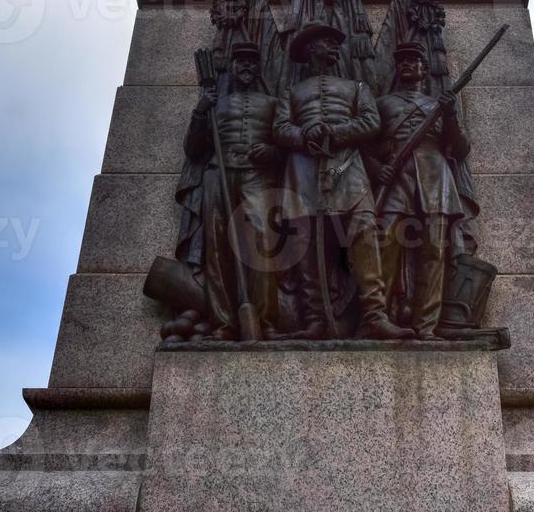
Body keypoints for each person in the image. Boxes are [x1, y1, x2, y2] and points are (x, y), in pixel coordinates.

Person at [273, 23, 412, 339]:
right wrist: (303, 134)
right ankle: (315, 319)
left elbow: (371, 121)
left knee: (364, 234)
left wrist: (335, 133)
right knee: (306, 245)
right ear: (310, 48)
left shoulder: (356, 87)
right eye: (327, 42)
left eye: (337, 43)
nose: (335, 47)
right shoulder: (291, 93)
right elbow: (280, 129)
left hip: (348, 169)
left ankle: (375, 315)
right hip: (303, 171)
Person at [367, 42, 470, 339]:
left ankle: (426, 327)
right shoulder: (383, 104)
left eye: (414, 61)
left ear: (425, 69)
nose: (408, 65)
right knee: (385, 242)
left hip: (435, 179)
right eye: (402, 61)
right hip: (397, 178)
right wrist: (377, 169)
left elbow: (460, 150)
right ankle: (379, 320)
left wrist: (449, 115)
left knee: (434, 251)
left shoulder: (439, 105)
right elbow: (365, 147)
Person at [182, 42, 282, 339]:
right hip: (219, 174)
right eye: (241, 63)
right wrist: (200, 112)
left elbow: (286, 144)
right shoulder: (215, 105)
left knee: (264, 241)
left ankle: (264, 321)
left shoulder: (272, 103)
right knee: (217, 248)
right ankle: (223, 322)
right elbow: (193, 149)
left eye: (252, 62)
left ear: (259, 67)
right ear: (233, 68)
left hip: (257, 176)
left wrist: (273, 151)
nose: (247, 67)